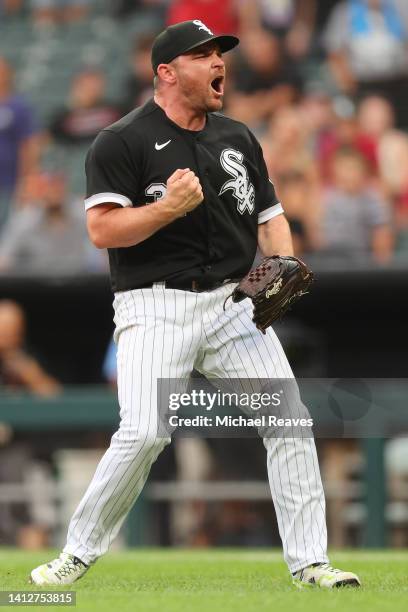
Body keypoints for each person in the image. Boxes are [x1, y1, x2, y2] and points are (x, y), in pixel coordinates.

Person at [30, 20, 361, 588]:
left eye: (219, 53)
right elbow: (102, 231)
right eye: (202, 54)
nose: (218, 63)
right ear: (166, 71)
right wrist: (166, 209)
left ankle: (311, 563)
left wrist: (278, 268)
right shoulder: (121, 141)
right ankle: (76, 554)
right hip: (154, 306)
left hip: (233, 304)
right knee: (145, 431)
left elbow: (270, 218)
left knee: (289, 423)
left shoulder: (236, 136)